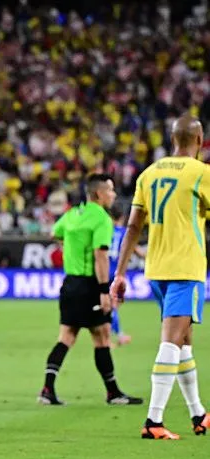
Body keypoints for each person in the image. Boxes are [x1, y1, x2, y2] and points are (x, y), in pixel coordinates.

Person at [112, 115, 210, 440]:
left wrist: (120, 273)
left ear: (172, 140)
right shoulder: (201, 173)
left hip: (156, 270)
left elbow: (133, 226)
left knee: (183, 342)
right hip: (185, 269)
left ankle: (198, 413)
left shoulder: (149, 173)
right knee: (170, 342)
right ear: (199, 141)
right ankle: (153, 421)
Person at [39, 174, 142, 406]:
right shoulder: (101, 219)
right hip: (90, 285)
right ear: (99, 193)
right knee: (102, 336)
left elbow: (54, 233)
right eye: (111, 190)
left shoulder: (72, 214)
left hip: (70, 284)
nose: (113, 195)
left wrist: (72, 246)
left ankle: (47, 389)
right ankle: (113, 393)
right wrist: (104, 291)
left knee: (66, 336)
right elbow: (101, 256)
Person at [107, 206, 146, 346]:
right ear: (123, 218)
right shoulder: (125, 233)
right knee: (113, 305)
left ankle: (114, 335)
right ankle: (116, 336)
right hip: (117, 273)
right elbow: (139, 252)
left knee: (109, 305)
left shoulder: (106, 231)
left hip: (104, 272)